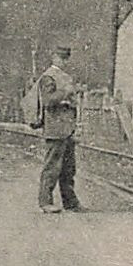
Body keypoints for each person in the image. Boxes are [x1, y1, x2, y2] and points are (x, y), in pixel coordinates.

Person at [36, 46, 81, 212]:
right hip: (55, 127)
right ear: (53, 57)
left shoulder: (65, 76)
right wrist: (65, 93)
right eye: (61, 58)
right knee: (52, 167)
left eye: (66, 58)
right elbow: (48, 101)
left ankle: (70, 202)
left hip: (67, 128)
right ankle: (45, 202)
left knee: (68, 169)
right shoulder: (48, 77)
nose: (64, 61)